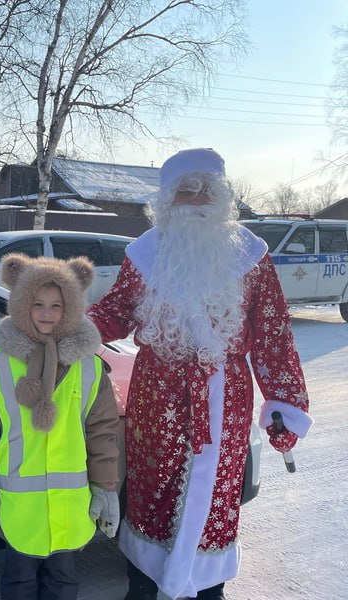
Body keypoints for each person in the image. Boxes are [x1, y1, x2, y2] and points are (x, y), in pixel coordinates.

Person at [87, 148, 313, 600]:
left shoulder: (251, 256)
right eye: (185, 191)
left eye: (205, 190)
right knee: (152, 491)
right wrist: (72, 330)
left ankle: (209, 589)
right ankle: (143, 585)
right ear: (167, 200)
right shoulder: (145, 254)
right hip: (156, 399)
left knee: (216, 497)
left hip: (225, 400)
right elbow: (116, 311)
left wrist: (285, 402)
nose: (195, 201)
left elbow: (273, 334)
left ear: (222, 197)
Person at [0, 254, 121, 600]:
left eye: (56, 305)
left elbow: (102, 434)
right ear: (22, 305)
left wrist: (105, 488)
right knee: (18, 580)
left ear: (71, 308)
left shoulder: (90, 368)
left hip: (70, 505)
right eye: (37, 304)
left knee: (62, 580)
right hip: (20, 507)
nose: (47, 313)